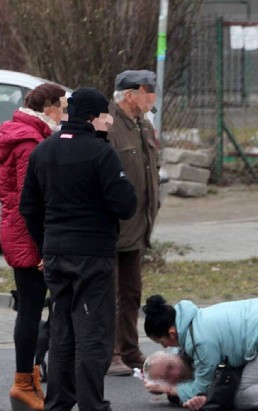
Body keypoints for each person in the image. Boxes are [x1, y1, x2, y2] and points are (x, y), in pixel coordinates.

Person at [20, 87, 137, 411]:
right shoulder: (100, 154)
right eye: (105, 114)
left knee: (62, 330)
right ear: (91, 117)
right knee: (94, 333)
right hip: (92, 255)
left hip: (56, 253)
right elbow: (125, 205)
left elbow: (28, 206)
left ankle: (57, 409)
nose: (110, 119)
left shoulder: (43, 151)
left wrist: (44, 245)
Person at [0, 83, 67, 411]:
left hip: (20, 234)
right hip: (28, 238)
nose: (64, 114)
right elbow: (30, 199)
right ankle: (24, 383)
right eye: (62, 108)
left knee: (32, 308)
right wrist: (41, 248)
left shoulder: (23, 134)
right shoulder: (29, 142)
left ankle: (30, 379)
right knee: (32, 310)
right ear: (48, 108)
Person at [106, 70, 161, 376]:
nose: (151, 99)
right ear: (129, 95)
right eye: (147, 92)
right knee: (109, 294)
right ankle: (110, 352)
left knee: (131, 293)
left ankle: (129, 349)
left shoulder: (143, 124)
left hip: (138, 226)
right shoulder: (108, 126)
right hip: (113, 227)